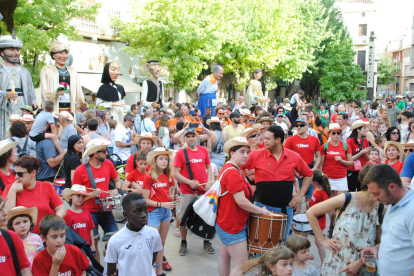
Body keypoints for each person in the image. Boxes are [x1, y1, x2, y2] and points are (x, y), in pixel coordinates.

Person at [307, 164, 384, 276]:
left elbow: (378, 243)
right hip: (337, 263)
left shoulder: (381, 208)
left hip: (363, 265)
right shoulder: (347, 198)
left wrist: (361, 262)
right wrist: (323, 240)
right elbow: (311, 212)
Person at [241, 126, 313, 242]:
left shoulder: (294, 156)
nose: (264, 141)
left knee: (281, 242)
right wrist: (248, 184)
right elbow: (238, 165)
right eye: (264, 138)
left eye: (268, 139)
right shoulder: (256, 155)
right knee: (261, 242)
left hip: (285, 207)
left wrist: (300, 196)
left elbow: (309, 174)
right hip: (262, 207)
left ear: (278, 140)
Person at [216, 137, 269, 276]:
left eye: (247, 152)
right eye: (242, 152)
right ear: (232, 153)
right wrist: (261, 211)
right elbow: (241, 201)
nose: (246, 155)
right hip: (233, 224)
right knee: (241, 265)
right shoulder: (233, 171)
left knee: (224, 257)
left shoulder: (230, 167)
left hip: (225, 221)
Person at [71, 138, 121, 263]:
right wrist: (89, 194)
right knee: (93, 245)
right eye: (104, 151)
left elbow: (117, 180)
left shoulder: (108, 164)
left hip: (106, 209)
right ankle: (98, 269)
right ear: (95, 153)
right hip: (88, 212)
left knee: (116, 240)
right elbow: (75, 194)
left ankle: (111, 263)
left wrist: (117, 189)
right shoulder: (80, 170)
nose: (107, 153)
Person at [361, 164, 414, 276]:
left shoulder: (411, 210)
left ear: (392, 187)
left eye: (377, 194)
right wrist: (376, 248)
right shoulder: (392, 202)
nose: (375, 199)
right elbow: (398, 239)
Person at [173, 127, 213, 256]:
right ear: (184, 138)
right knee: (184, 217)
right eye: (188, 136)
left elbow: (209, 167)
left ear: (197, 137)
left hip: (203, 191)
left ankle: (207, 241)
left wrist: (209, 183)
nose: (191, 138)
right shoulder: (180, 153)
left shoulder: (203, 150)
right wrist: (190, 182)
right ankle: (183, 242)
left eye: (193, 136)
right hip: (187, 191)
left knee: (207, 217)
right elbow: (175, 173)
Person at [3, 156, 66, 235]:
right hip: (21, 239)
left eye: (20, 174)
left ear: (33, 173)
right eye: (15, 173)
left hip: (46, 237)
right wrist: (13, 191)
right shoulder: (10, 189)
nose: (16, 177)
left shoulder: (46, 186)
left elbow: (61, 208)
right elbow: (7, 215)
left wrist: (53, 223)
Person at [105, 193, 162, 276]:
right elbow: (111, 271)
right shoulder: (115, 240)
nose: (144, 215)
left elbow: (152, 258)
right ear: (125, 215)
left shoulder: (154, 233)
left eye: (145, 210)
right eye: (138, 211)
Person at [143, 148, 176, 276]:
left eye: (166, 159)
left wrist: (174, 198)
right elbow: (145, 200)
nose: (164, 162)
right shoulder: (149, 176)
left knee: (161, 242)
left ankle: (158, 271)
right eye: (161, 159)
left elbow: (169, 194)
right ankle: (148, 270)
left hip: (166, 212)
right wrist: (164, 204)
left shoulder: (168, 176)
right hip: (154, 213)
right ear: (155, 160)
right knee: (151, 244)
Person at [0, 36, 38, 140]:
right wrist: (5, 95)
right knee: (6, 132)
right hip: (5, 108)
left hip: (22, 104)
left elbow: (30, 89)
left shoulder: (25, 71)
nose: (16, 53)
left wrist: (33, 101)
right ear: (2, 53)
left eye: (17, 50)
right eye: (11, 50)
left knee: (22, 132)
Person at [40, 41, 86, 119]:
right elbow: (44, 91)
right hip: (54, 107)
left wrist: (82, 100)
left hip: (69, 106)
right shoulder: (46, 70)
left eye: (66, 53)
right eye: (60, 53)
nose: (64, 56)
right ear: (53, 54)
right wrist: (55, 93)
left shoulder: (73, 71)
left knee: (68, 125)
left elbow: (78, 89)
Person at [285, 118, 321, 206]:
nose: (298, 127)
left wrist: (314, 169)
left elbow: (319, 156)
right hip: (295, 172)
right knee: (295, 196)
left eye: (301, 125)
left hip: (309, 169)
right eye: (297, 125)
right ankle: (296, 216)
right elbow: (285, 157)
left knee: (310, 197)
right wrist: (295, 171)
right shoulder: (290, 140)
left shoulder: (314, 139)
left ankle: (308, 216)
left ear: (307, 126)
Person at [0, 196, 33, 276]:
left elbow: (25, 270)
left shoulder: (11, 237)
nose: (5, 213)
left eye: (4, 207)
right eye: (0, 210)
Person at [320, 123, 353, 197]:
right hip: (328, 177)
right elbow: (321, 164)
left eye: (338, 133)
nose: (336, 135)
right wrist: (322, 177)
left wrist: (342, 161)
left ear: (340, 134)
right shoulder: (325, 146)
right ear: (330, 134)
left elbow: (351, 163)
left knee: (340, 201)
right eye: (333, 133)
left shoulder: (345, 146)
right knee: (330, 201)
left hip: (341, 177)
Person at [308, 170, 330, 264]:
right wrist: (310, 204)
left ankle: (323, 263)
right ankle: (307, 253)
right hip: (313, 218)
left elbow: (326, 208)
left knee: (318, 243)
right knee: (312, 240)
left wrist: (314, 211)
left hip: (319, 221)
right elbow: (314, 200)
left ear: (315, 182)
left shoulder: (324, 193)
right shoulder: (315, 188)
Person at [346, 120, 371, 191]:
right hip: (352, 170)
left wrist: (369, 154)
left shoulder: (365, 140)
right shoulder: (350, 141)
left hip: (363, 170)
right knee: (351, 190)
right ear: (358, 130)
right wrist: (361, 152)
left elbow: (366, 158)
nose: (367, 130)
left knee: (362, 190)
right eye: (364, 128)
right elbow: (349, 158)